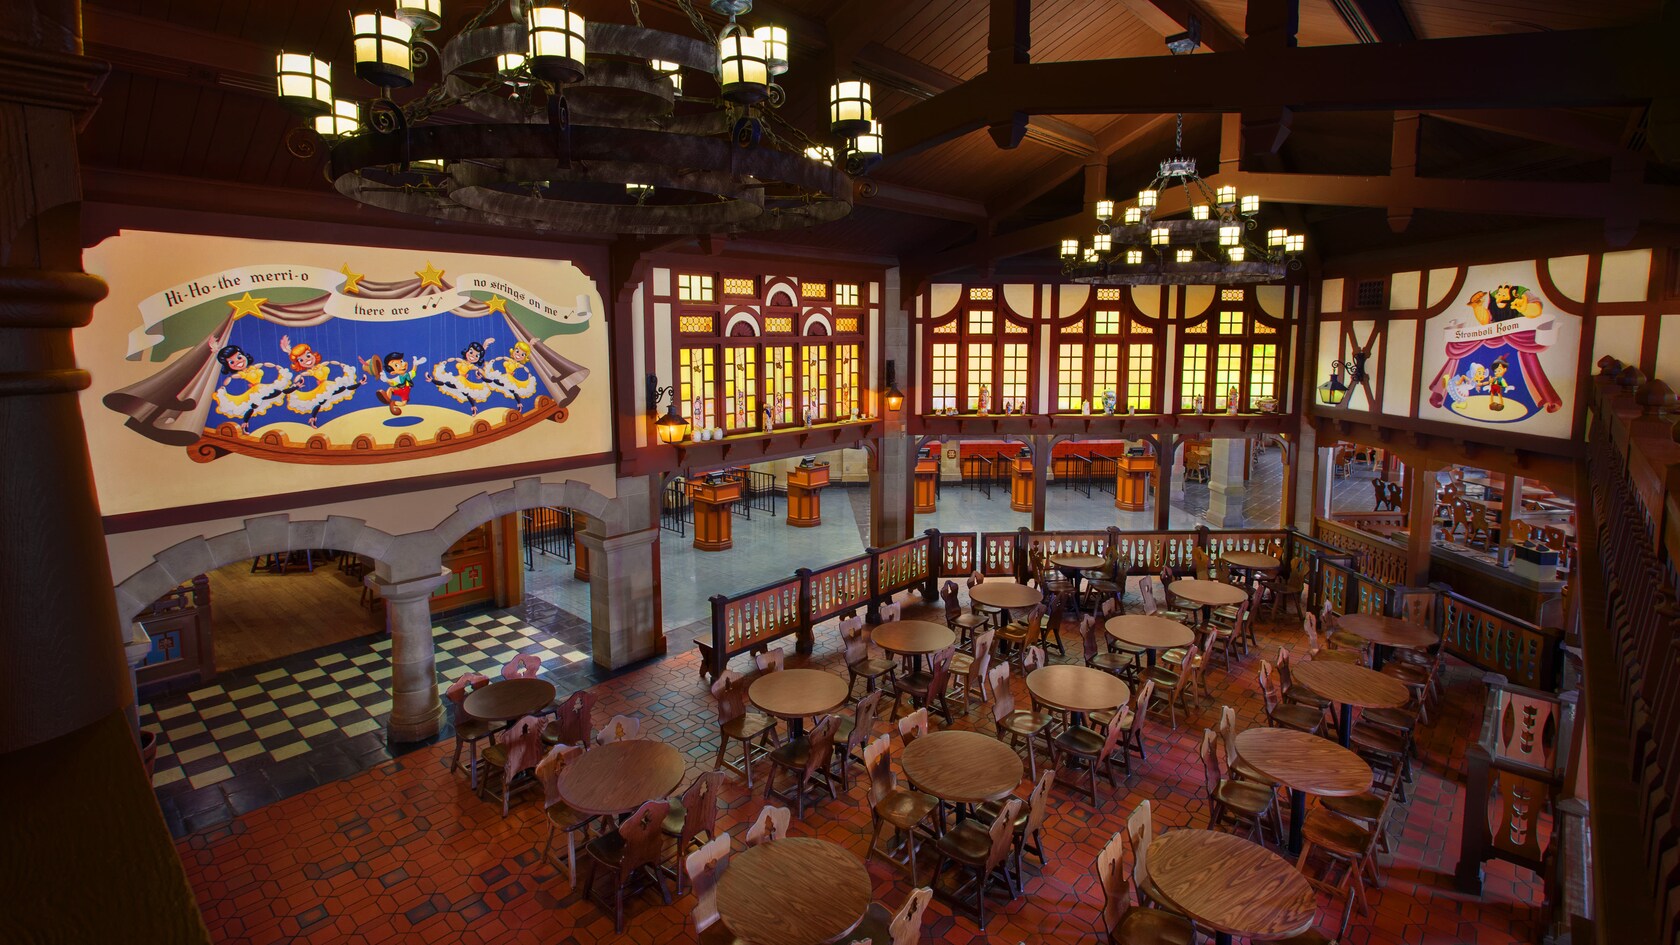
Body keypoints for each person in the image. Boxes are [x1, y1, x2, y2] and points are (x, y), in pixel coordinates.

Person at [279, 335, 365, 428]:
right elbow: (301, 375)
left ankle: (361, 382)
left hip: (328, 384)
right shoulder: (311, 371)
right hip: (323, 387)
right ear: (298, 363)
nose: (307, 359)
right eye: (301, 360)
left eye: (308, 355)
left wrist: (341, 364)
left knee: (344, 388)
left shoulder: (321, 365)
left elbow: (330, 362)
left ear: (312, 354)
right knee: (320, 402)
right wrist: (296, 383)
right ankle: (313, 419)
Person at [211, 344, 292, 433]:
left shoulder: (253, 367)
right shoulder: (242, 374)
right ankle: (245, 423)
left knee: (278, 392)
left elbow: (265, 364)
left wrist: (277, 367)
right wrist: (223, 387)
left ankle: (245, 423)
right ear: (228, 365)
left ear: (243, 355)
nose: (238, 362)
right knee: (254, 406)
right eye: (231, 362)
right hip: (256, 390)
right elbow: (231, 378)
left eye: (239, 357)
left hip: (262, 387)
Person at [371, 351, 426, 416]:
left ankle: (393, 403)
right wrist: (386, 380)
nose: (402, 365)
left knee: (403, 404)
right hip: (399, 390)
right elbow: (391, 382)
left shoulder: (408, 375)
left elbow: (413, 371)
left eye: (402, 361)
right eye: (396, 365)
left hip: (405, 392)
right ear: (393, 372)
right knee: (391, 389)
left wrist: (415, 364)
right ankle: (387, 399)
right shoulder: (398, 378)